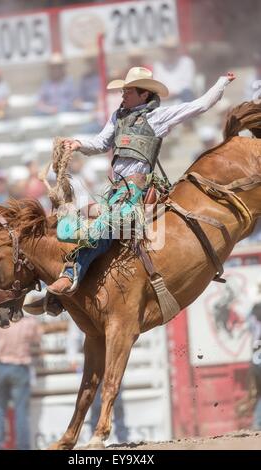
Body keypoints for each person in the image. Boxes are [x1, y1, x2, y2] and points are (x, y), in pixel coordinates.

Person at [24, 66, 235, 315]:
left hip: (137, 193)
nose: (123, 95)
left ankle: (71, 275)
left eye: (128, 91)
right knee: (69, 225)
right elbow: (101, 143)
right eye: (123, 90)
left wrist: (221, 82)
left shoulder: (158, 117)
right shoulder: (117, 117)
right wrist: (79, 144)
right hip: (115, 192)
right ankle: (63, 296)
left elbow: (200, 105)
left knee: (105, 228)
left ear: (144, 94)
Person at [0, 316, 43, 450]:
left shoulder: (0, 318)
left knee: (0, 408)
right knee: (21, 410)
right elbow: (38, 336)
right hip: (20, 367)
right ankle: (23, 447)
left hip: (2, 366)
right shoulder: (28, 321)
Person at [248, 300, 261, 430]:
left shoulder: (254, 324)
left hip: (256, 362)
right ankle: (257, 422)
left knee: (259, 394)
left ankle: (257, 422)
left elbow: (248, 318)